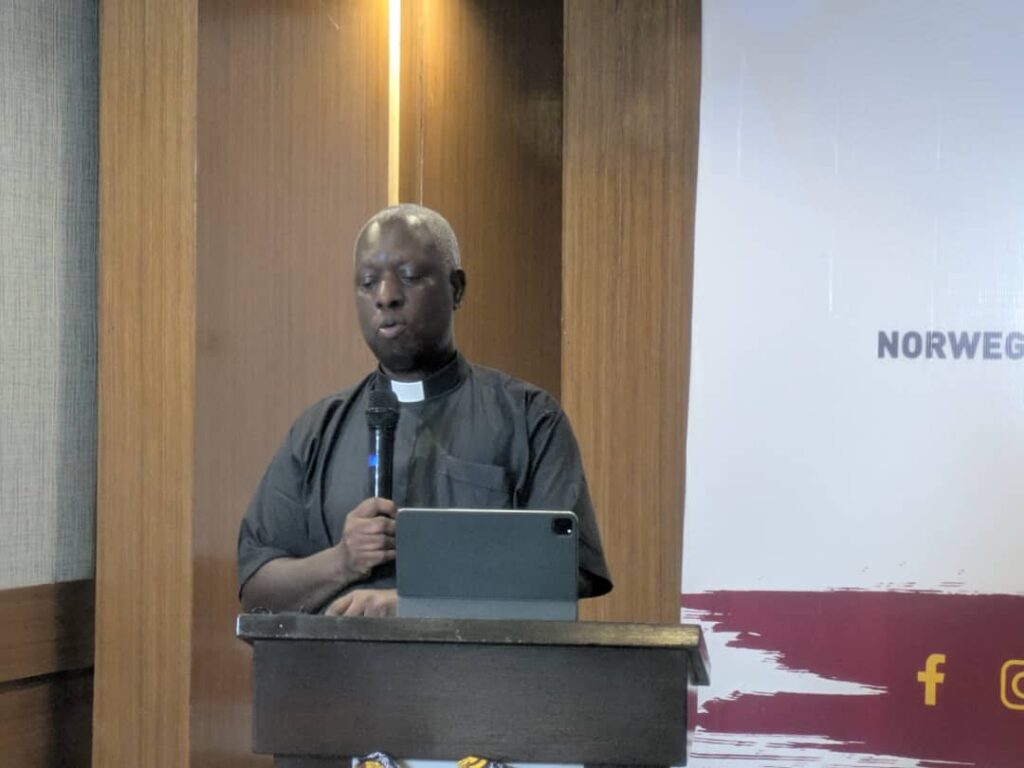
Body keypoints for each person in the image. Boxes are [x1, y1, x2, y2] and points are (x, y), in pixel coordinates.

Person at [237, 204, 612, 616]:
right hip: (343, 659)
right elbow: (257, 589)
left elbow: (565, 569)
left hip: (480, 660)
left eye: (410, 276)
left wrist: (416, 609)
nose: (386, 296)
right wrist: (341, 561)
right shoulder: (317, 431)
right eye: (368, 282)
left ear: (457, 289)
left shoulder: (529, 418)